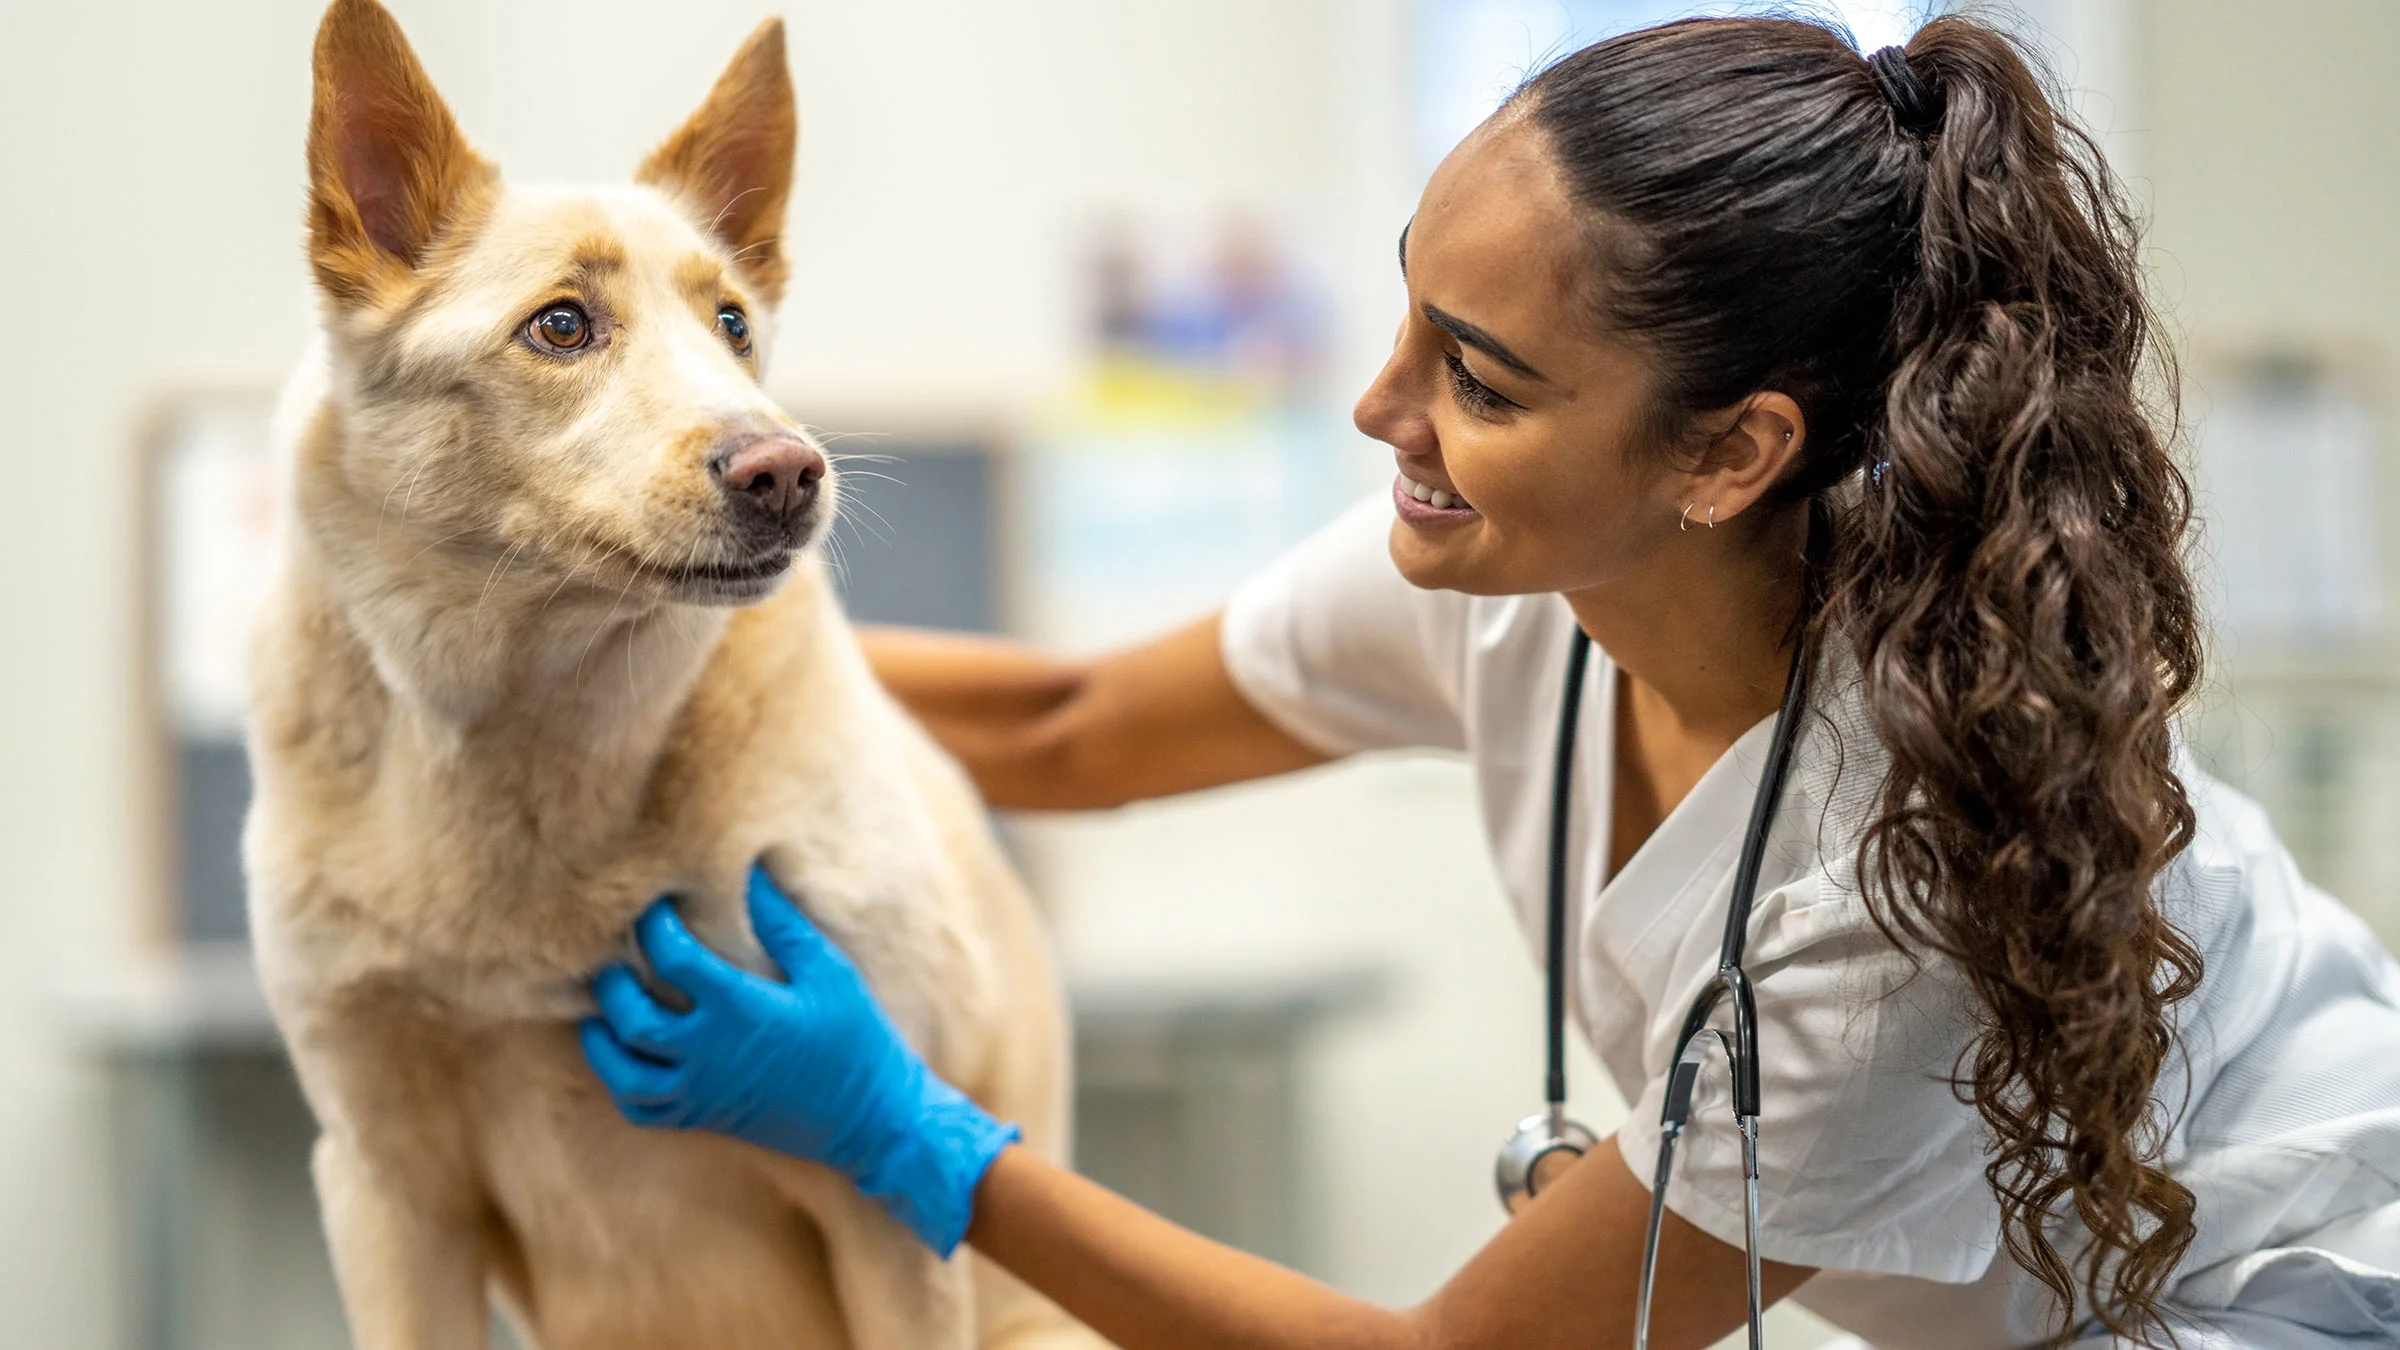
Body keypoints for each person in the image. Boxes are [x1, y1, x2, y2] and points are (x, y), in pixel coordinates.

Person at [578, 15, 2400, 1349]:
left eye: (1482, 379)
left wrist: (909, 1137)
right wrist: (648, 618)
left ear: (1728, 452)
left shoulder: (1891, 887)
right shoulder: (1513, 577)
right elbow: (1068, 727)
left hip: (2287, 1287)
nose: (1383, 412)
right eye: (1405, 316)